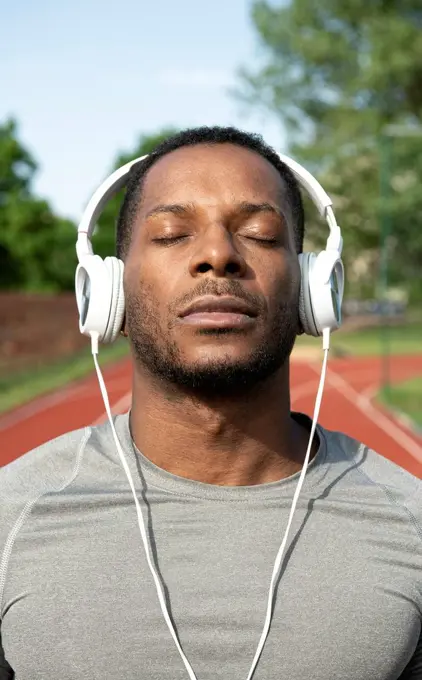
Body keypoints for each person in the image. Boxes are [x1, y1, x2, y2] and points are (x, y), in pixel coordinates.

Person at [0, 126, 420, 680]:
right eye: (173, 234)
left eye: (261, 234)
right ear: (108, 290)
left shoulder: (410, 522)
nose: (218, 255)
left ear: (313, 289)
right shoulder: (12, 516)